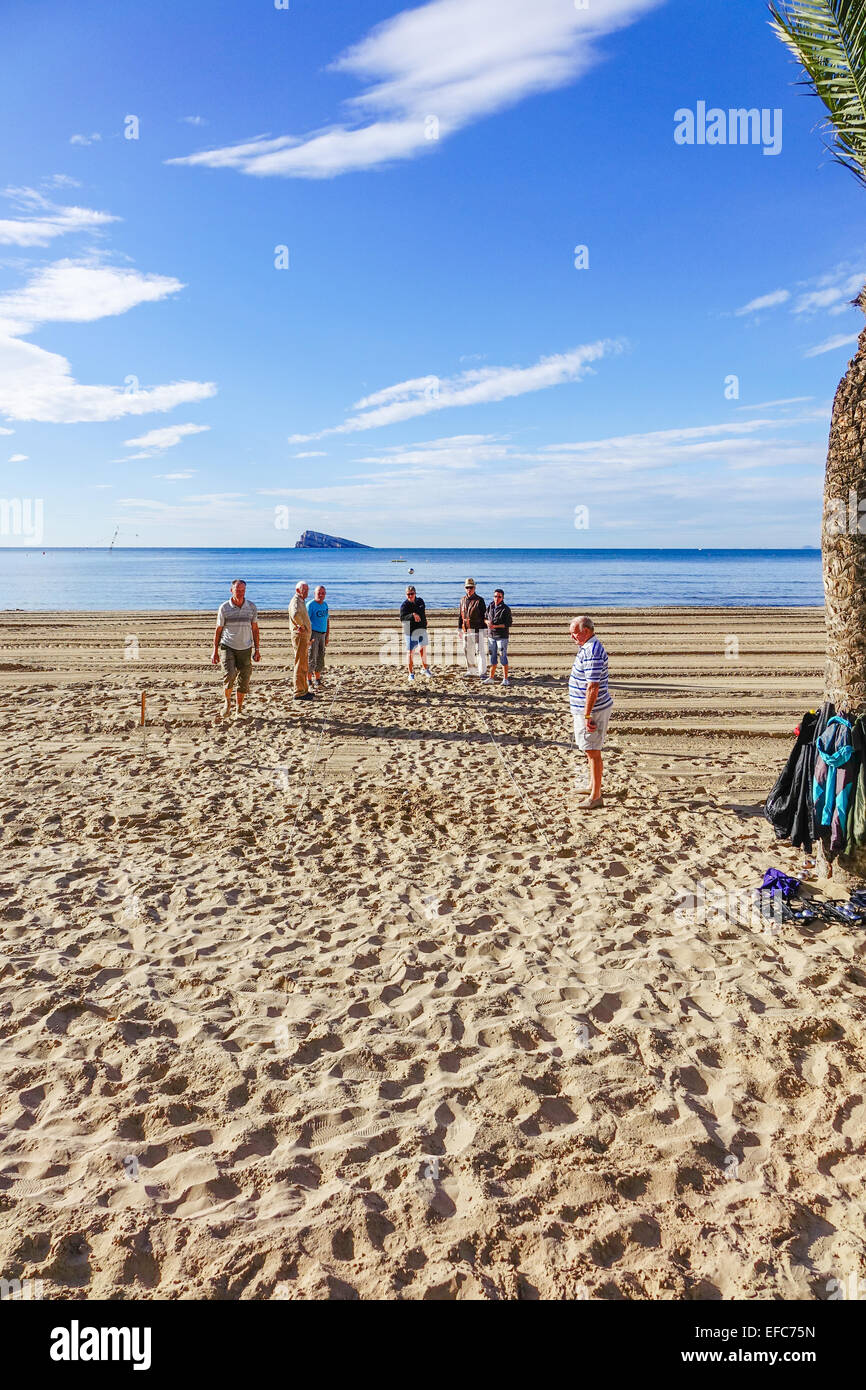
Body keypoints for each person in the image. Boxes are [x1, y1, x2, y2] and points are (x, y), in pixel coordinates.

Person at [568, 615, 613, 809]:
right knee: (589, 749)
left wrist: (587, 715)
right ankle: (592, 785)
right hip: (586, 709)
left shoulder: (593, 650)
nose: (572, 637)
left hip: (593, 711)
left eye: (575, 633)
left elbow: (592, 686)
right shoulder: (586, 647)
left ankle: (596, 797)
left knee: (593, 750)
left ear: (586, 631)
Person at [212, 579, 260, 720]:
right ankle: (227, 703)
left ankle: (239, 708)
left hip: (245, 647)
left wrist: (257, 649)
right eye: (237, 590)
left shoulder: (251, 607)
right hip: (228, 646)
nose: (240, 593)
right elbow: (218, 630)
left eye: (242, 590)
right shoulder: (224, 608)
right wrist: (214, 651)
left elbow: (255, 629)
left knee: (244, 679)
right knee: (229, 674)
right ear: (231, 590)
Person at [399, 584, 432, 682]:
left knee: (422, 650)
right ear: (406, 595)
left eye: (412, 594)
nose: (410, 596)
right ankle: (411, 673)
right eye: (408, 594)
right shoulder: (404, 605)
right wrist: (412, 615)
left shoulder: (420, 601)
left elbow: (422, 612)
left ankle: (425, 669)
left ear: (415, 593)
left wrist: (424, 622)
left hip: (421, 629)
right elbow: (402, 618)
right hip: (410, 631)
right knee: (410, 652)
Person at [289, 580, 314, 701]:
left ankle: (304, 690)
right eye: (304, 590)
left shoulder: (301, 601)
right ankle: (299, 692)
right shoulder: (295, 601)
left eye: (307, 590)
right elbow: (295, 614)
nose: (307, 592)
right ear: (298, 590)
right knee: (300, 663)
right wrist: (301, 626)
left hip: (304, 636)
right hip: (300, 636)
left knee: (304, 663)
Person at [483, 588, 513, 687]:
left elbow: (508, 623)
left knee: (502, 656)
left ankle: (505, 679)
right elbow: (485, 618)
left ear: (502, 597)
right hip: (491, 636)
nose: (497, 598)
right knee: (492, 657)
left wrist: (495, 626)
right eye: (495, 596)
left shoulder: (505, 609)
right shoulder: (490, 606)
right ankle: (491, 677)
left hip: (502, 637)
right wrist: (487, 622)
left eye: (499, 597)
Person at [457, 577, 487, 678]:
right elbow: (460, 616)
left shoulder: (480, 600)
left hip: (478, 630)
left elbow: (484, 616)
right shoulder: (462, 600)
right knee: (467, 651)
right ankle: (471, 670)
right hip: (466, 630)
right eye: (467, 587)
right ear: (465, 588)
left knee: (480, 652)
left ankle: (482, 672)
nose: (469, 589)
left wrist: (484, 630)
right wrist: (459, 629)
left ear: (474, 588)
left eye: (471, 587)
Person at [306, 584, 330, 690]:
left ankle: (318, 680)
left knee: (321, 658)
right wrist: (308, 638)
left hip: (323, 634)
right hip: (313, 634)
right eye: (319, 593)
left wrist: (327, 635)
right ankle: (309, 681)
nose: (321, 595)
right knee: (312, 658)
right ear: (314, 594)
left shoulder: (325, 605)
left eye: (323, 593)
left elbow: (327, 621)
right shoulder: (310, 605)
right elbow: (305, 621)